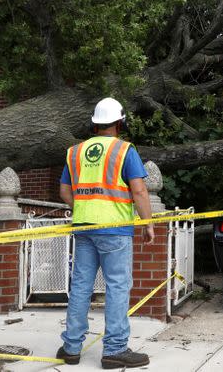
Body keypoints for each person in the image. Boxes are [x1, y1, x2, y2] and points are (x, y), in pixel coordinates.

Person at [56, 97, 156, 369]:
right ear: (120, 122)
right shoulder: (124, 150)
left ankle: (71, 348)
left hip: (84, 228)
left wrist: (85, 208)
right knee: (117, 287)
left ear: (95, 123)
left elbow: (65, 191)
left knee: (80, 287)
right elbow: (139, 190)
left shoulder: (75, 152)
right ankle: (114, 350)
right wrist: (147, 222)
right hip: (114, 229)